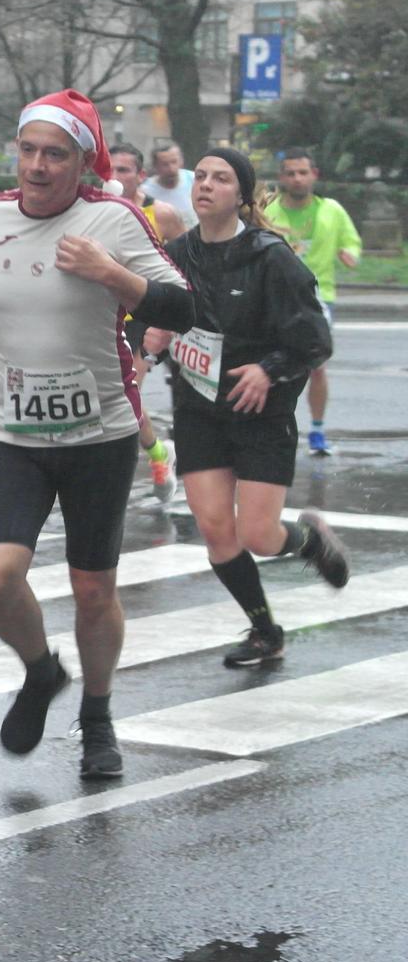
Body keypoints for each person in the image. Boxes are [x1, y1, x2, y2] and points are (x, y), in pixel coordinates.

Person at [0, 89, 195, 781]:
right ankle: (40, 669)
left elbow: (181, 305)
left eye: (56, 154)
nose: (38, 166)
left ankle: (98, 716)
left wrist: (111, 273)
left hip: (99, 435)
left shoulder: (114, 219)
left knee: (93, 591)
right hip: (9, 432)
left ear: (82, 162)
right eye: (29, 150)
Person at [145, 149, 347, 668]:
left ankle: (310, 540)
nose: (206, 185)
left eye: (221, 178)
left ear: (243, 195)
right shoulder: (174, 255)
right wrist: (150, 336)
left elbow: (314, 341)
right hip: (199, 410)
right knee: (216, 529)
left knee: (258, 535)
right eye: (203, 176)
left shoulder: (269, 257)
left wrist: (267, 370)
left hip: (260, 414)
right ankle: (264, 630)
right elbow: (146, 311)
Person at [263, 147, 362, 457]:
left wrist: (351, 255)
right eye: (290, 173)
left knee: (316, 367)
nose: (297, 178)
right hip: (272, 296)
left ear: (314, 175)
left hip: (318, 298)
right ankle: (267, 427)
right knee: (267, 364)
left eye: (302, 172)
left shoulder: (331, 210)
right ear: (282, 177)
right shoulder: (269, 210)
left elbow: (351, 242)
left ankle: (317, 430)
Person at [109, 142, 186, 503]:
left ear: (141, 176)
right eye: (108, 169)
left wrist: (174, 315)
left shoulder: (163, 214)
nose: (114, 177)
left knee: (128, 394)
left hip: (146, 317)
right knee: (110, 398)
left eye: (123, 170)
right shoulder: (93, 210)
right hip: (104, 316)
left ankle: (157, 459)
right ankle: (158, 452)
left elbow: (188, 263)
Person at [142, 138, 200, 231]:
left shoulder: (195, 181)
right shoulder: (146, 191)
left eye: (174, 162)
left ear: (181, 161)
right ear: (155, 166)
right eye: (165, 164)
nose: (171, 169)